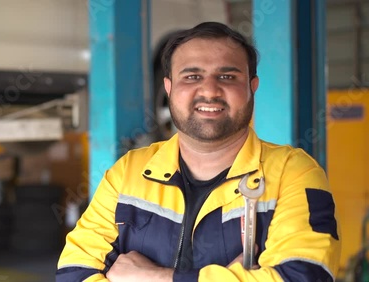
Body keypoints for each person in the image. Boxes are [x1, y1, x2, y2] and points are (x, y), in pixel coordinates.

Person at [56, 22, 341, 281]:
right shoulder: (128, 173)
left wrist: (156, 277)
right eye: (192, 77)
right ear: (168, 87)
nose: (210, 91)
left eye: (227, 77)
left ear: (252, 87)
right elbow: (74, 272)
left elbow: (305, 275)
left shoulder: (294, 173)